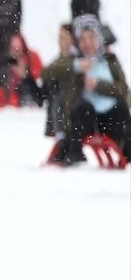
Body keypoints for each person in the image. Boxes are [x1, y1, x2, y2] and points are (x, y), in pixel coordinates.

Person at [41, 13, 131, 166]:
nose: (87, 43)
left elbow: (123, 90)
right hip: (84, 119)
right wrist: (76, 67)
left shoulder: (109, 61)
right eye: (83, 39)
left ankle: (127, 151)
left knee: (121, 108)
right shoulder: (74, 61)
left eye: (91, 38)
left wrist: (98, 86)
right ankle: (75, 153)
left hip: (109, 118)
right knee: (83, 108)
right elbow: (48, 73)